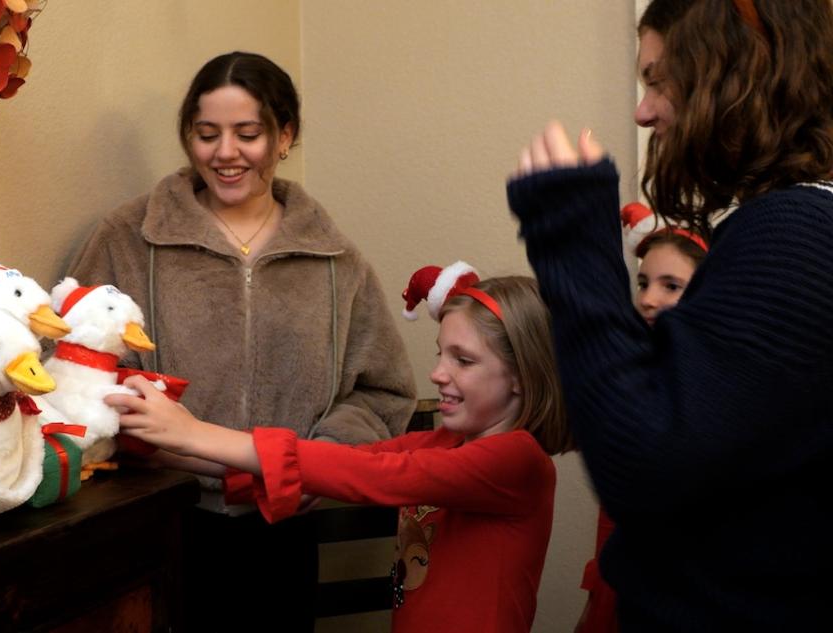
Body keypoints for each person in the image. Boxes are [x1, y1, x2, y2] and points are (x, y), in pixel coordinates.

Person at [508, 0, 833, 630]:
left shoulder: (795, 236)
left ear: (738, 71)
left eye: (659, 80)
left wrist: (574, 239)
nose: (643, 109)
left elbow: (646, 463)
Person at [66, 51, 416, 631]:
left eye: (247, 133)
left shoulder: (335, 258)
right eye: (207, 134)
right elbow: (78, 371)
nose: (225, 153)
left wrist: (317, 461)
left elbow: (384, 392)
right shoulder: (127, 238)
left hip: (284, 528)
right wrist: (162, 446)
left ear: (285, 136)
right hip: (158, 522)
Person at [110, 264, 572, 633]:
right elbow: (336, 467)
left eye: (464, 360)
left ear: (520, 374)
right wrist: (163, 447)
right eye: (440, 354)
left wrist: (196, 433)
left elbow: (377, 476)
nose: (438, 373)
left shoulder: (518, 461)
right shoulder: (445, 443)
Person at [577, 221, 708, 633]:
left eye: (671, 286)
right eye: (643, 282)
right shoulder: (634, 383)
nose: (647, 299)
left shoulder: (712, 399)